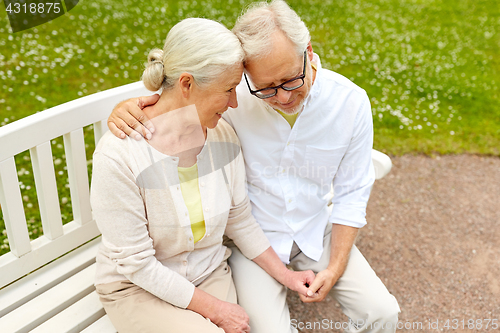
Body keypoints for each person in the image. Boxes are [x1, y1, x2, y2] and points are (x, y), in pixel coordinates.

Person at [107, 1, 401, 332]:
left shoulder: (350, 102)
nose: (284, 97)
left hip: (316, 232)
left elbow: (351, 193)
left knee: (383, 313)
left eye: (291, 80)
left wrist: (334, 267)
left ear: (308, 51)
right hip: (252, 243)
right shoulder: (230, 101)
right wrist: (127, 107)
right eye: (266, 88)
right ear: (246, 72)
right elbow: (179, 94)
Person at [91, 17, 315, 333]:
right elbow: (137, 264)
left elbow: (240, 221)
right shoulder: (120, 155)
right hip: (136, 287)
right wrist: (217, 311)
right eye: (227, 90)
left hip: (208, 273)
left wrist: (287, 276)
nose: (235, 102)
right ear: (186, 84)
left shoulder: (223, 136)